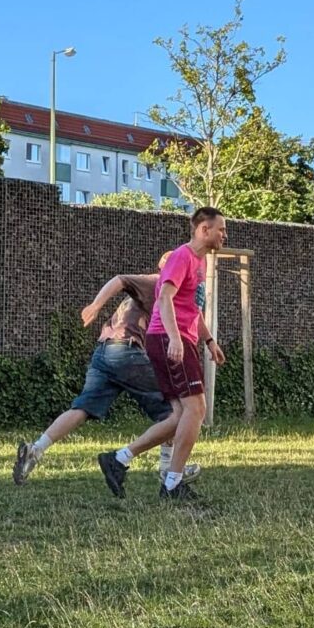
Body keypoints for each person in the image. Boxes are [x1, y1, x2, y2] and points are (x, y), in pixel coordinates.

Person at [12, 254, 202, 485]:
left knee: (82, 408)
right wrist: (95, 305)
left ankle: (36, 449)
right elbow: (120, 279)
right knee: (175, 411)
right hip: (126, 352)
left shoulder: (172, 293)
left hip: (103, 351)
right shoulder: (156, 282)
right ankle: (166, 471)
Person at [99, 206, 228, 501]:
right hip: (169, 339)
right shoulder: (181, 256)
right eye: (220, 229)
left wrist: (209, 341)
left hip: (179, 338)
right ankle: (172, 484)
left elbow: (192, 308)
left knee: (179, 415)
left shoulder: (201, 263)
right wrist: (175, 338)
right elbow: (164, 298)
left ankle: (118, 459)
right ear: (203, 230)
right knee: (197, 410)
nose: (224, 234)